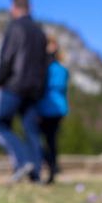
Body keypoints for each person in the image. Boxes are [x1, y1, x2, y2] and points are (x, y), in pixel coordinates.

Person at [0, 0, 47, 182]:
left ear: (13, 7)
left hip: (13, 86)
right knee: (31, 131)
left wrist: (0, 81)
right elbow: (44, 65)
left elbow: (7, 58)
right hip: (34, 90)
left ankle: (23, 162)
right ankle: (36, 176)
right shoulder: (40, 32)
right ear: (30, 7)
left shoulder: (15, 27)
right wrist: (40, 91)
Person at [37, 35, 69, 184]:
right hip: (57, 108)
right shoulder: (61, 67)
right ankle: (52, 166)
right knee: (50, 139)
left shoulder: (50, 67)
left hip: (48, 107)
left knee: (44, 139)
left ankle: (51, 166)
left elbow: (48, 86)